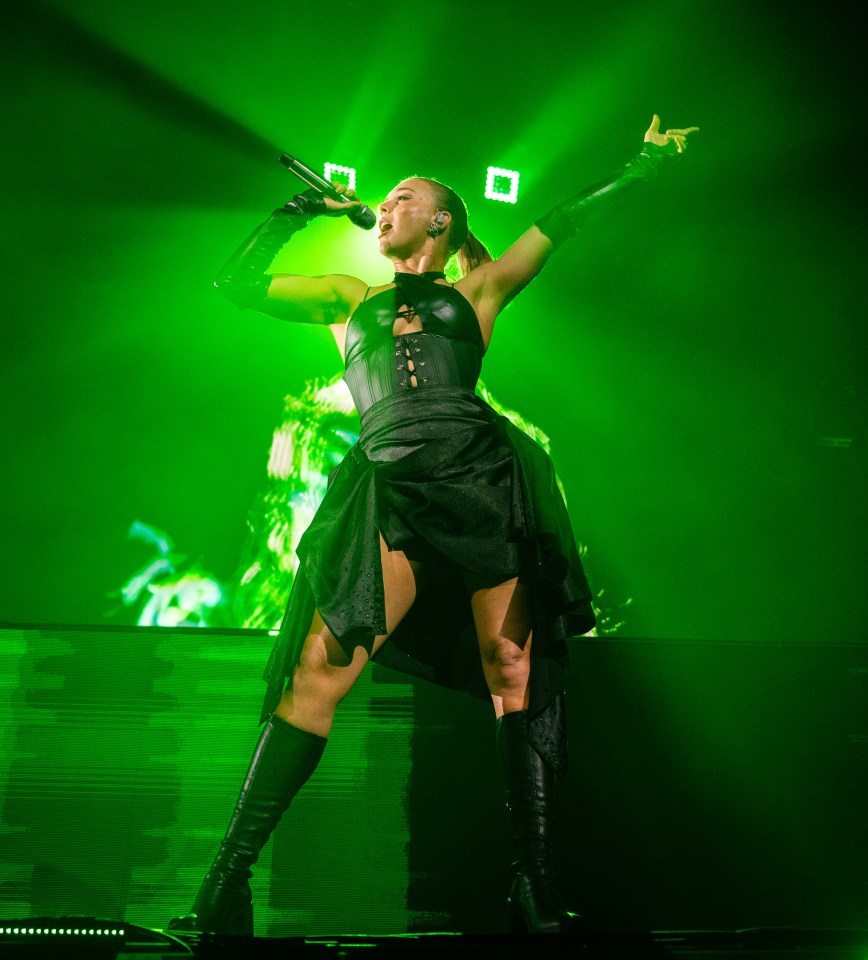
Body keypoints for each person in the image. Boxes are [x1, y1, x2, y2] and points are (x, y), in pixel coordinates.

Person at [168, 114, 699, 937]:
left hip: (479, 478)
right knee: (318, 674)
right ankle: (222, 885)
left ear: (443, 221)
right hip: (390, 484)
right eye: (383, 203)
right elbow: (233, 288)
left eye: (404, 200)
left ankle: (533, 883)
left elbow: (555, 224)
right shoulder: (349, 300)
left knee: (511, 667)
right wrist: (297, 213)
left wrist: (640, 167)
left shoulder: (475, 293)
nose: (385, 209)